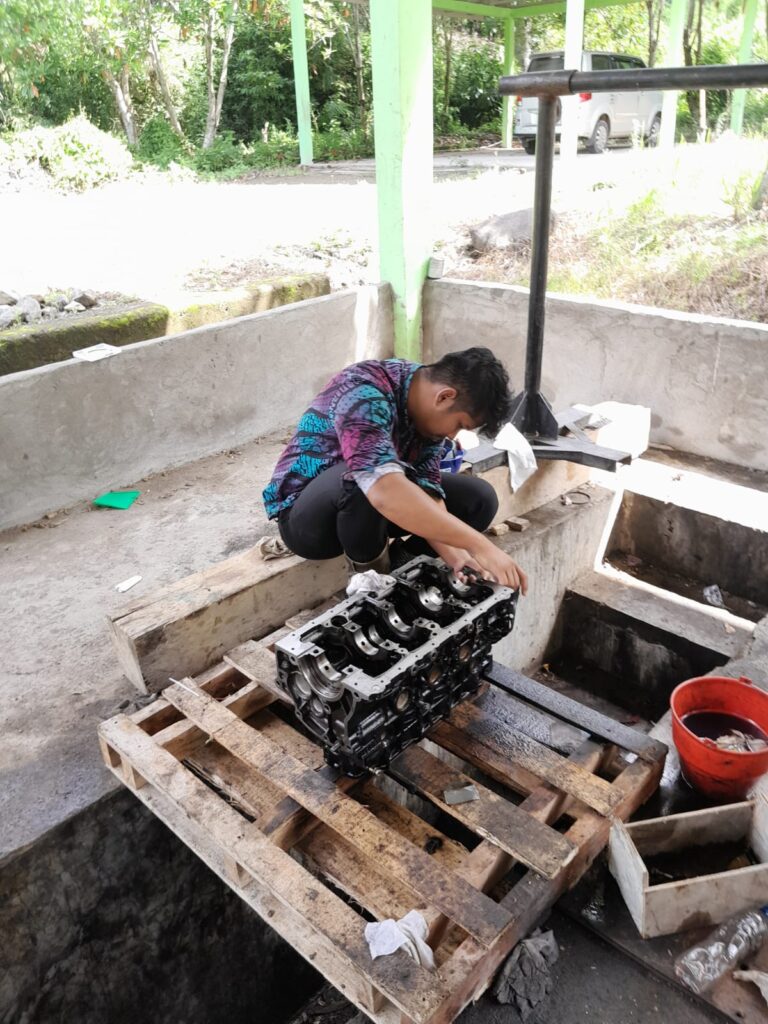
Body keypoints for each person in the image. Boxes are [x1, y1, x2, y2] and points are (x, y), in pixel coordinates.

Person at [262, 348, 528, 593]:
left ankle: (403, 568)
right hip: (308, 522)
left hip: (372, 510)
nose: (452, 435)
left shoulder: (426, 413)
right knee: (361, 481)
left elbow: (428, 490)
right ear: (445, 397)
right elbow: (382, 489)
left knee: (479, 499)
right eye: (459, 424)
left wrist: (459, 557)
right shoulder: (363, 391)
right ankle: (371, 586)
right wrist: (479, 544)